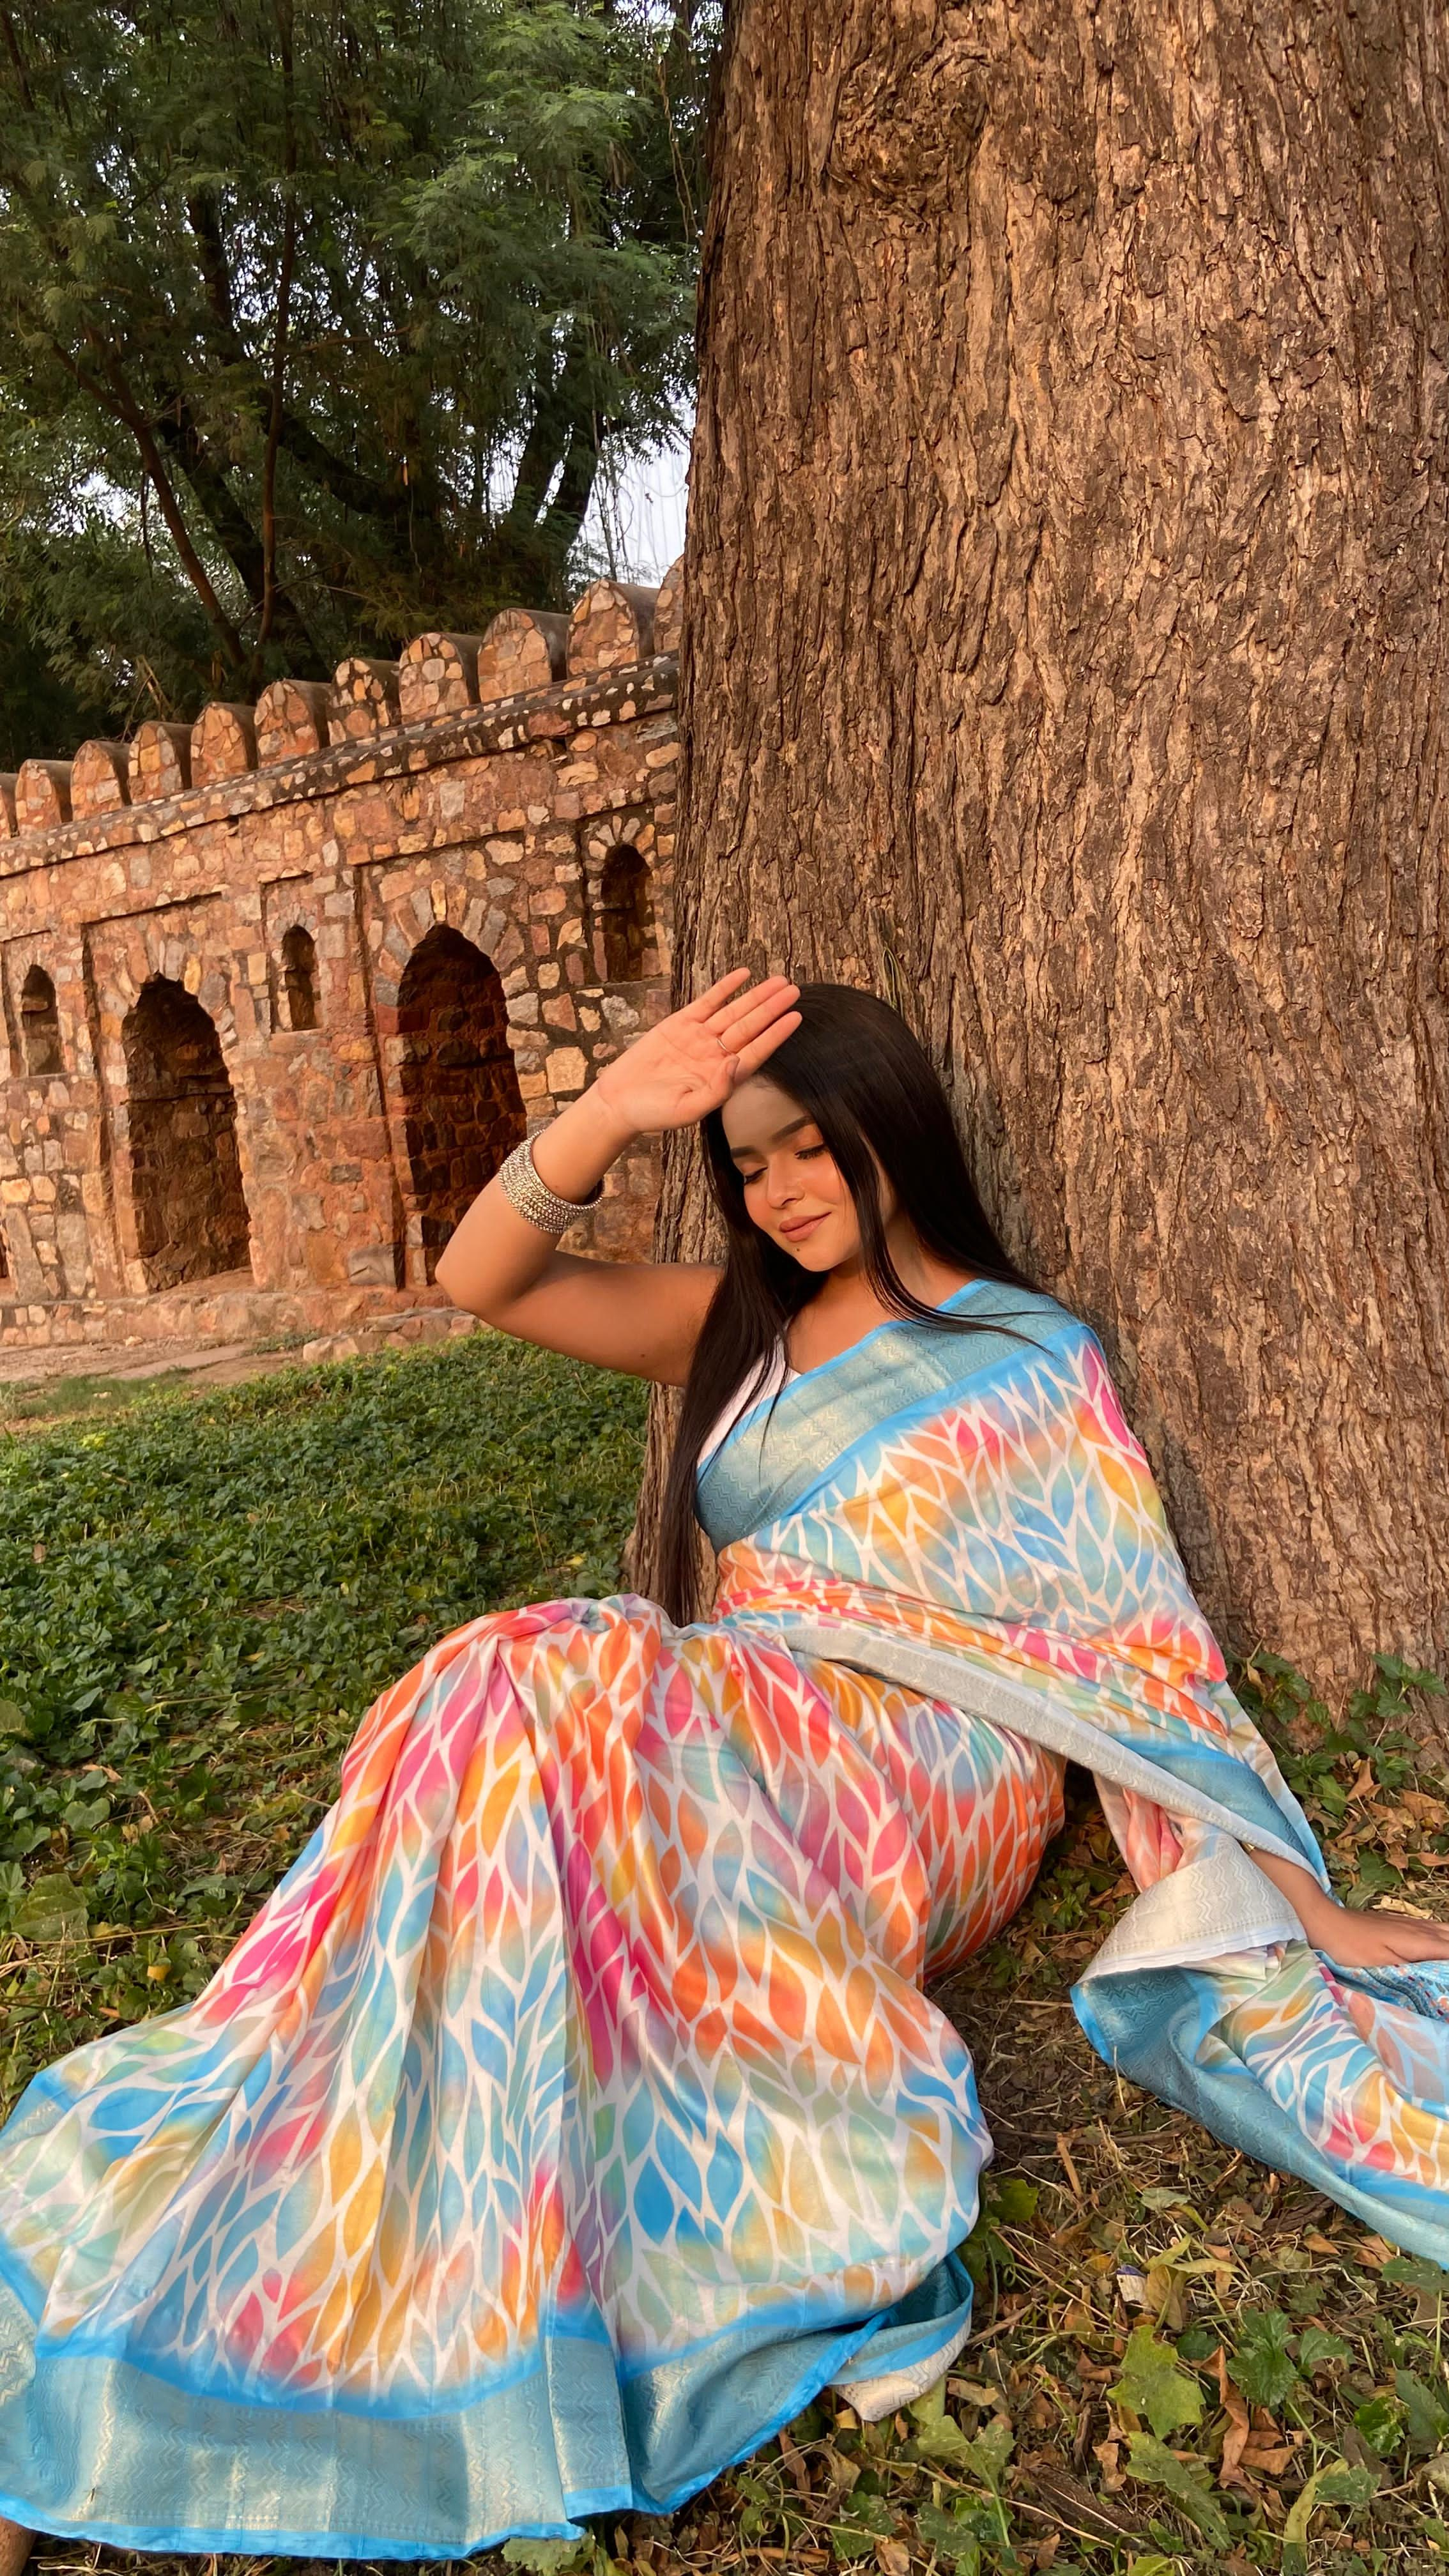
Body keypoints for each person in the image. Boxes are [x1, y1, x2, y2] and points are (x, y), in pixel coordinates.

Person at [1, 973, 1446, 2569]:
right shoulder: (737, 1327)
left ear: (891, 1130)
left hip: (932, 1766)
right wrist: (618, 1108)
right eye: (750, 1165)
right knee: (504, 1682)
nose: (782, 1191)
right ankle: (307, 2115)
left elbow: (1140, 1651)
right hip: (732, 1723)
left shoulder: (1030, 1356)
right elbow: (485, 1274)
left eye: (811, 1149)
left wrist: (1304, 1903)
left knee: (546, 1683)